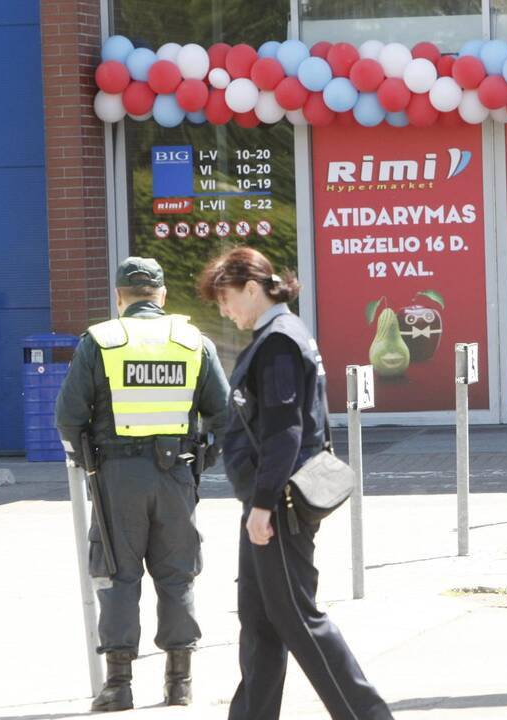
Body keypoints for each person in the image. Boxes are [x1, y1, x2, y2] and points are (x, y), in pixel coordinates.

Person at [197, 247, 393, 720]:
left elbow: (284, 430)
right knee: (261, 624)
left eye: (225, 299)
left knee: (298, 620)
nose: (224, 311)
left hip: (279, 502)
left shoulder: (279, 341)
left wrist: (263, 505)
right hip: (267, 500)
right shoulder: (278, 335)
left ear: (252, 287)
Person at [55, 256, 229, 711]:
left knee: (117, 572)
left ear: (119, 297)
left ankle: (119, 686)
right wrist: (203, 456)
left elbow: (69, 416)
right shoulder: (193, 341)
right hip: (176, 475)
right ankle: (180, 683)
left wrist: (83, 456)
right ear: (162, 295)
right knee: (177, 574)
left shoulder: (101, 341)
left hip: (115, 476)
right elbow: (224, 414)